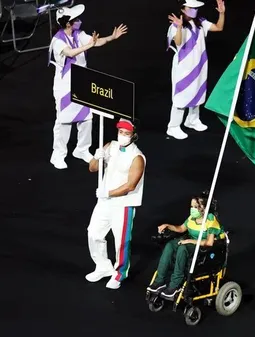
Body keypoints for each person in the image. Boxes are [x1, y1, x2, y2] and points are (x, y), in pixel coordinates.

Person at [49, 4, 127, 169]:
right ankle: (58, 155)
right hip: (65, 87)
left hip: (81, 82)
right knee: (64, 122)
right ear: (68, 23)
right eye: (75, 19)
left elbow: (96, 42)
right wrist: (89, 46)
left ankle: (82, 149)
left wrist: (111, 38)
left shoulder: (78, 34)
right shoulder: (57, 40)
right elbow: (70, 53)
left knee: (86, 118)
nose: (79, 21)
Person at [85, 118, 146, 289]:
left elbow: (130, 186)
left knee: (121, 241)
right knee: (93, 233)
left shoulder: (138, 157)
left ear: (134, 135)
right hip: (104, 202)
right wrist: (97, 157)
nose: (123, 136)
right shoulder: (110, 146)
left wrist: (108, 192)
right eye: (121, 132)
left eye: (127, 134)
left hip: (123, 205)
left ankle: (120, 273)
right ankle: (103, 266)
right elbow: (92, 168)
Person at [165, 0, 226, 140]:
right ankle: (173, 127)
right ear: (182, 8)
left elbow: (218, 27)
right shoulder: (175, 25)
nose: (194, 10)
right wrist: (179, 27)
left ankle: (192, 120)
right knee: (181, 96)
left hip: (199, 64)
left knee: (197, 92)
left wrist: (221, 13)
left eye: (196, 8)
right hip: (184, 67)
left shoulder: (200, 22)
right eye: (191, 7)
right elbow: (179, 43)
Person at [147, 193, 225, 298]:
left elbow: (209, 242)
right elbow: (181, 229)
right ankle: (159, 281)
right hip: (191, 241)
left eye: (196, 207)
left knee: (182, 248)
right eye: (191, 207)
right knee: (170, 245)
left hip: (203, 246)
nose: (193, 209)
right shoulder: (192, 217)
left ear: (204, 208)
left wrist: (189, 241)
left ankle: (175, 285)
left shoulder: (210, 219)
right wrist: (167, 225)